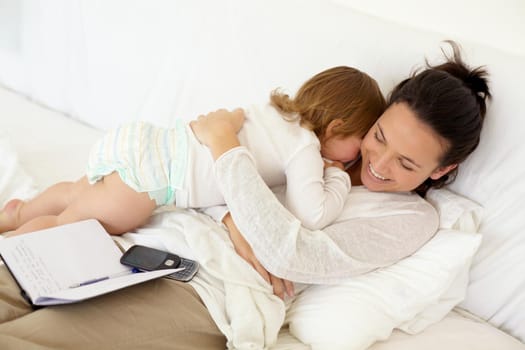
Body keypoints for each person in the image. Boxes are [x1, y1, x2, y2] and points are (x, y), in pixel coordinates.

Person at [0, 42, 490, 349]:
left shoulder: (410, 219)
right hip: (135, 235)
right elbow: (205, 181)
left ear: (443, 169)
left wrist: (224, 148)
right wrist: (237, 214)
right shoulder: (322, 143)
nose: (379, 164)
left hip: (199, 291)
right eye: (380, 136)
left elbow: (292, 254)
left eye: (407, 164)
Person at [0, 66, 385, 237]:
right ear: (336, 128)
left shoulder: (274, 111)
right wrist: (335, 174)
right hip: (155, 180)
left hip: (147, 143)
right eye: (362, 139)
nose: (358, 154)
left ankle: (17, 214)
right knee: (76, 225)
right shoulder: (305, 148)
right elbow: (312, 215)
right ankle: (16, 247)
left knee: (75, 191)